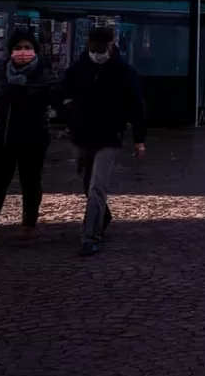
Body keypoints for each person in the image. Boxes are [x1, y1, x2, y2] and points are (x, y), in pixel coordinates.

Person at [0, 29, 58, 247]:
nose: (22, 52)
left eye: (27, 48)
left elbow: (54, 99)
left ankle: (29, 226)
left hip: (32, 137)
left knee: (30, 181)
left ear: (34, 51)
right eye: (17, 48)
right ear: (10, 51)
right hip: (1, 137)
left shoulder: (44, 74)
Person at [60, 27, 146, 258]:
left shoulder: (124, 72)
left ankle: (90, 237)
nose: (99, 52)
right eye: (95, 47)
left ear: (111, 46)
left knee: (97, 186)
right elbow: (61, 94)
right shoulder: (78, 69)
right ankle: (102, 217)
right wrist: (70, 114)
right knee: (87, 183)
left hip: (109, 136)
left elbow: (136, 106)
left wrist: (139, 139)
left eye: (103, 47)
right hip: (82, 135)